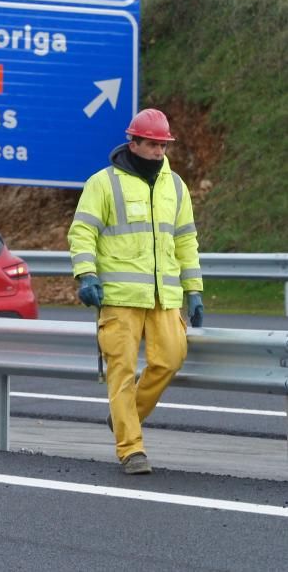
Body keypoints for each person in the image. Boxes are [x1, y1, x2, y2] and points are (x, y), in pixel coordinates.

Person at [68, 109, 204, 475]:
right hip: (118, 297)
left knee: (171, 358)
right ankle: (131, 448)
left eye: (163, 145)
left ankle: (124, 415)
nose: (159, 151)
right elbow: (83, 233)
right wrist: (86, 275)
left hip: (164, 296)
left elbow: (186, 240)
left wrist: (194, 289)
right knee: (121, 370)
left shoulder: (175, 186)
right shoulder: (103, 183)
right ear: (134, 143)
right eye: (152, 144)